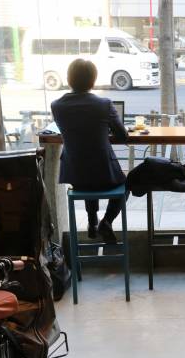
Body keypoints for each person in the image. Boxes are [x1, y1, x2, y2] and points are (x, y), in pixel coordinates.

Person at [51, 59, 128, 243]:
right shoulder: (104, 104)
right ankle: (106, 222)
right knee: (126, 184)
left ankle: (92, 221)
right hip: (104, 175)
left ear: (69, 79)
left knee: (87, 169)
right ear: (93, 81)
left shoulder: (57, 105)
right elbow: (123, 135)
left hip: (76, 177)